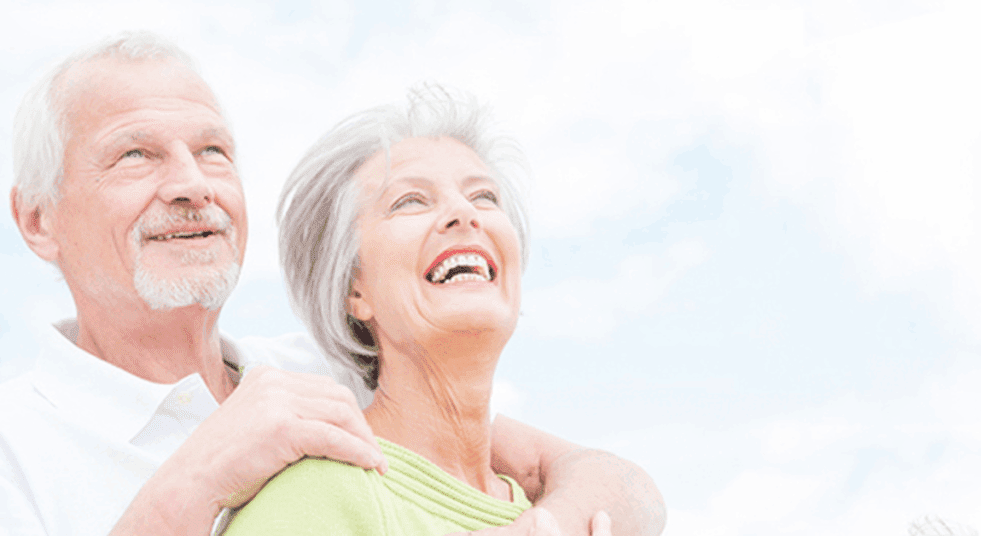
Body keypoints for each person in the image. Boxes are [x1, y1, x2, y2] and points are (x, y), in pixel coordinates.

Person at [0, 32, 666, 536]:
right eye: (135, 155)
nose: (191, 185)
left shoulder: (335, 373)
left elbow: (606, 477)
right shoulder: (16, 446)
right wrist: (196, 481)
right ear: (38, 220)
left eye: (214, 152)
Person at [225, 86, 591, 534]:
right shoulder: (319, 496)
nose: (463, 213)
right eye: (410, 201)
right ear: (353, 288)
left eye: (484, 197)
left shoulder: (552, 507)